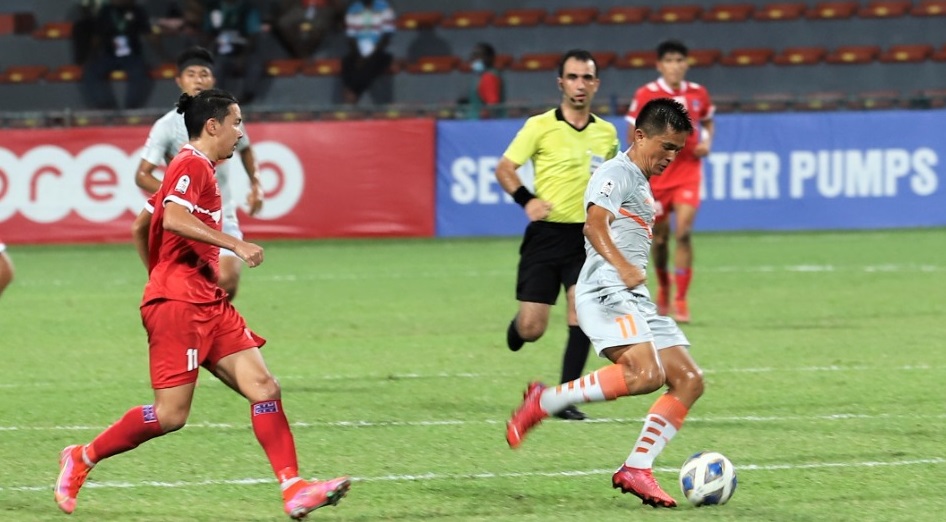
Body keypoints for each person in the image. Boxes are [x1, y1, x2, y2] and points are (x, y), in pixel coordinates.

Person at [55, 89, 350, 520]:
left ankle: (293, 488)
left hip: (207, 301)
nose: (240, 132)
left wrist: (158, 271)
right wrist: (232, 245)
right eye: (236, 122)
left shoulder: (197, 169)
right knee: (171, 415)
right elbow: (173, 219)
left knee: (264, 387)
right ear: (213, 126)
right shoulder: (191, 163)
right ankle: (81, 456)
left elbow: (141, 225)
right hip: (179, 306)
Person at [505, 98, 704, 509]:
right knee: (646, 374)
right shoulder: (617, 172)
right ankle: (546, 401)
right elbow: (594, 225)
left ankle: (637, 467)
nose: (671, 157)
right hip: (606, 289)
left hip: (635, 298)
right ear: (640, 136)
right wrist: (623, 266)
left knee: (688, 380)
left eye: (678, 150)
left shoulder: (641, 181)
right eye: (666, 146)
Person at [495, 49, 620, 421]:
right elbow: (505, 168)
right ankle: (517, 330)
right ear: (561, 83)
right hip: (545, 236)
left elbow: (614, 179)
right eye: (573, 77)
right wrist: (527, 200)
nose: (580, 85)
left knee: (581, 313)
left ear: (596, 84)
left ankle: (563, 398)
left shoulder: (607, 133)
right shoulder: (539, 126)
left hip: (585, 237)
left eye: (587, 78)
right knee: (532, 328)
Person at [134, 46, 263, 301]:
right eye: (191, 74)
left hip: (221, 214)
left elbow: (246, 149)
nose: (198, 80)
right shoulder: (167, 126)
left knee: (227, 281)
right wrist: (177, 196)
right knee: (193, 288)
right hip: (187, 218)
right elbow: (142, 175)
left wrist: (256, 185)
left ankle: (202, 321)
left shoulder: (228, 117)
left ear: (213, 79)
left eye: (204, 74)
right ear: (179, 80)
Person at [625, 40, 715, 323]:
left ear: (686, 64)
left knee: (684, 233)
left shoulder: (698, 93)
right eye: (669, 61)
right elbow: (632, 131)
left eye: (679, 60)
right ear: (660, 65)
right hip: (659, 175)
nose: (675, 66)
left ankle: (681, 300)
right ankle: (664, 287)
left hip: (688, 171)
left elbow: (708, 121)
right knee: (661, 239)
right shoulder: (646, 94)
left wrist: (706, 142)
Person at [79, 0, 152, 110]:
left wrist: (163, 55)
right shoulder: (105, 11)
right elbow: (97, 36)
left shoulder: (137, 11)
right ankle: (106, 107)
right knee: (91, 71)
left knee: (139, 72)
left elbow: (148, 34)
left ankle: (131, 108)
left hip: (132, 56)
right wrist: (89, 56)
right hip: (109, 55)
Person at [201, 0, 265, 104]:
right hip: (220, 51)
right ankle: (218, 100)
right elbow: (207, 33)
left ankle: (247, 98)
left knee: (254, 66)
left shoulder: (248, 8)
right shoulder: (213, 7)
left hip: (243, 50)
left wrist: (242, 58)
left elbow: (253, 36)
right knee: (215, 66)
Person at [340, 0, 395, 105]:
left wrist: (371, 52)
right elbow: (351, 36)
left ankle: (352, 93)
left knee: (372, 63)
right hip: (359, 48)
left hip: (379, 49)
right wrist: (360, 53)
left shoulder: (384, 7)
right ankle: (352, 94)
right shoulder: (353, 9)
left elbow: (387, 35)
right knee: (347, 62)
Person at [462, 42, 505, 120]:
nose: (473, 59)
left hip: (483, 123)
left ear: (489, 58)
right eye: (473, 55)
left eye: (478, 55)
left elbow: (492, 106)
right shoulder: (482, 76)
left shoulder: (488, 77)